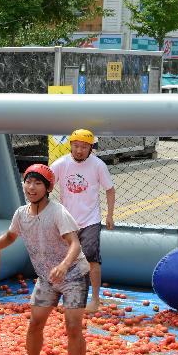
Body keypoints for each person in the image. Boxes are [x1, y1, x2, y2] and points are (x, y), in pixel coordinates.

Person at [0, 164, 90, 355]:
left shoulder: (58, 212)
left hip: (73, 275)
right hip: (46, 277)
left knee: (73, 326)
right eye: (29, 182)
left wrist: (64, 265)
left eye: (38, 183)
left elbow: (75, 244)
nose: (32, 187)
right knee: (35, 323)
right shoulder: (21, 213)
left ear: (48, 188)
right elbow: (10, 237)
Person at [51, 129, 115, 313]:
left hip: (90, 220)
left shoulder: (98, 165)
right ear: (70, 145)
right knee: (67, 259)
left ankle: (94, 300)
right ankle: (70, 297)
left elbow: (110, 189)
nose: (79, 150)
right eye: (76, 146)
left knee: (91, 258)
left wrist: (110, 214)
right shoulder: (62, 163)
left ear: (90, 148)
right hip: (67, 220)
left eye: (84, 147)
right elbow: (46, 182)